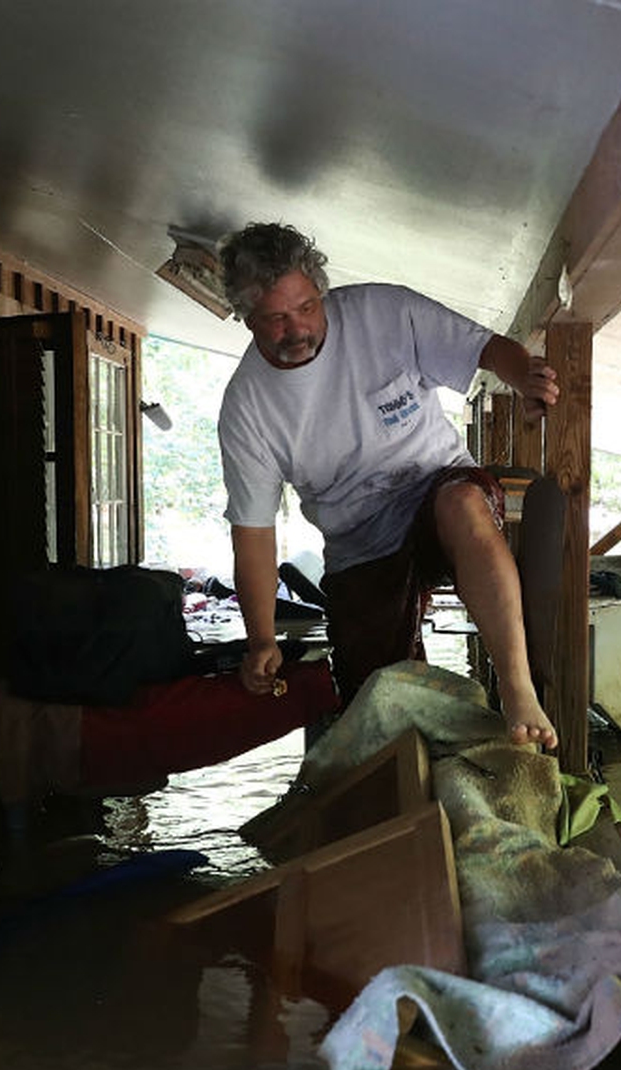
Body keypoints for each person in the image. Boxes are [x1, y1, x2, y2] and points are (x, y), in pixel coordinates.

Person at [215, 222, 560, 751]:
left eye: (307, 307)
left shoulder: (385, 313)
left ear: (320, 289)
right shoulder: (247, 406)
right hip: (357, 539)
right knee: (372, 702)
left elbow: (486, 350)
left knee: (465, 503)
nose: (298, 329)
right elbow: (254, 533)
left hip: (436, 487)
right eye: (276, 318)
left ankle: (517, 690)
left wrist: (526, 376)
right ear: (247, 317)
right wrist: (261, 638)